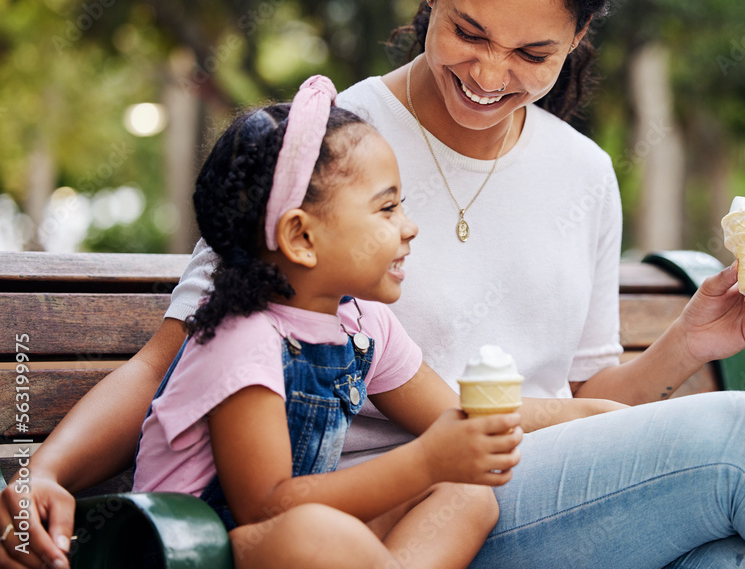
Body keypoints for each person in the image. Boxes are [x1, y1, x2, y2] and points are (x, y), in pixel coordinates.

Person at [1, 0, 745, 567]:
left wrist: (687, 344)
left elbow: (588, 401)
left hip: (504, 495)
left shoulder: (583, 173)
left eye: (534, 53)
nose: (489, 75)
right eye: (470, 32)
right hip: (371, 519)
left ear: (579, 39)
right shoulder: (331, 153)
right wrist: (48, 466)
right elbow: (167, 360)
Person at [133, 76, 519, 568]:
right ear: (301, 238)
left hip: (295, 541)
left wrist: (473, 437)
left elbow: (446, 417)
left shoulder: (362, 325)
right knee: (315, 532)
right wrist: (424, 461)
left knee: (463, 493)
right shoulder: (244, 340)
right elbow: (265, 506)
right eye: (387, 207)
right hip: (194, 552)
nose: (409, 226)